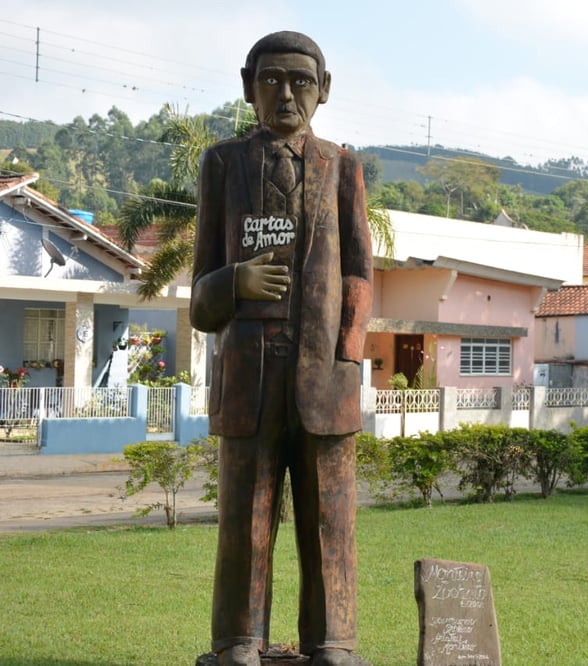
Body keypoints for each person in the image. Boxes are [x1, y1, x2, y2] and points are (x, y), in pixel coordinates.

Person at [190, 31, 373, 666]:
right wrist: (234, 281)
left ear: (324, 90)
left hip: (324, 379)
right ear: (249, 87)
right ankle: (239, 640)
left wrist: (345, 355)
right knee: (245, 519)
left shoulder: (343, 168)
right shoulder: (221, 165)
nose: (286, 93)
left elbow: (359, 274)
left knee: (330, 521)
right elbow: (198, 300)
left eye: (301, 81)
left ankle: (333, 642)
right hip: (249, 378)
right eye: (272, 80)